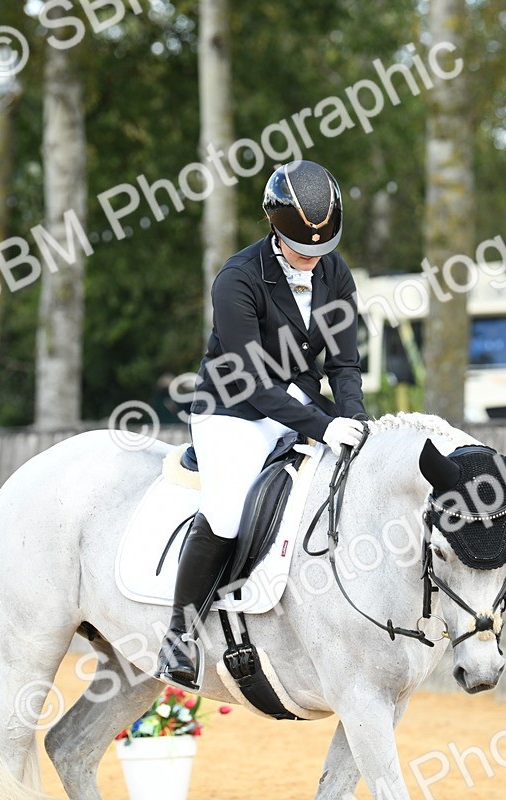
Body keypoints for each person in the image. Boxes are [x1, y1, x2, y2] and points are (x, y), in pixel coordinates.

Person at [155, 160, 369, 689]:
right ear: (274, 227)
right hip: (232, 411)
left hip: (302, 405)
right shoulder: (238, 278)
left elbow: (343, 363)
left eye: (322, 249)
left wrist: (356, 419)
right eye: (303, 250)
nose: (313, 260)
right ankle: (178, 637)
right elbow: (251, 380)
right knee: (228, 514)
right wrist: (322, 427)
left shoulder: (334, 272)